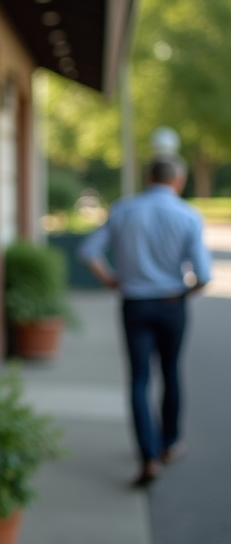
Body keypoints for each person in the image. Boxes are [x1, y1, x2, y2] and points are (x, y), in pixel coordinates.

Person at [78, 154, 212, 486]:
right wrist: (183, 293)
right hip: (171, 303)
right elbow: (204, 274)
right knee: (170, 371)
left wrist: (110, 279)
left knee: (139, 379)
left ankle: (148, 457)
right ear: (178, 181)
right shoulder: (188, 215)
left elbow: (88, 251)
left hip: (134, 304)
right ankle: (170, 444)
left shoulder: (124, 210)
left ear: (148, 177)